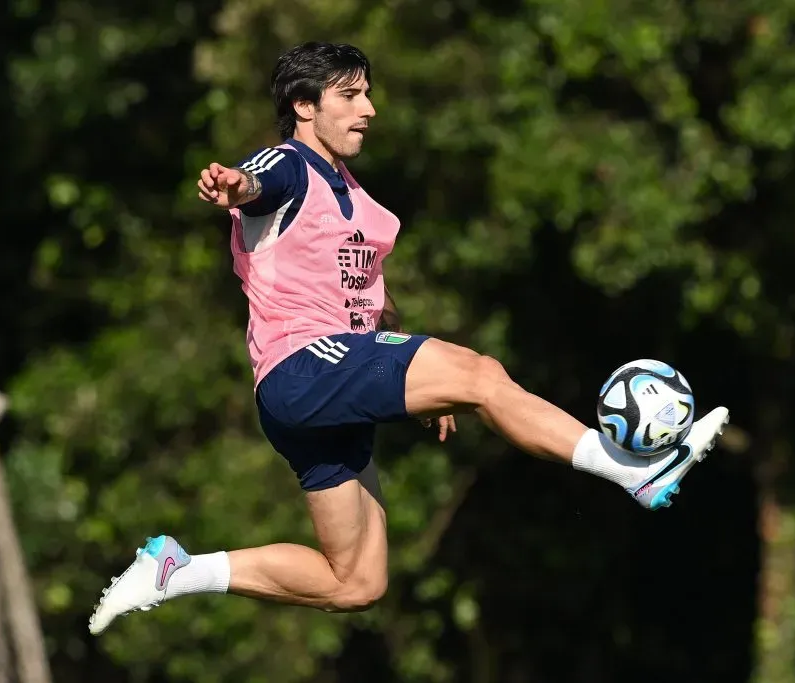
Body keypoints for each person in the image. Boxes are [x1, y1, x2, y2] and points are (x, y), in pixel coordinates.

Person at [88, 42, 729, 634]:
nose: (368, 109)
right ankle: (629, 469)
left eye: (368, 94)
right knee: (482, 375)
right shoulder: (288, 163)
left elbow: (368, 295)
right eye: (350, 95)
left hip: (314, 394)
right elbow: (256, 183)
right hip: (308, 366)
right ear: (303, 107)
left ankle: (178, 571)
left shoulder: (354, 196)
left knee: (357, 582)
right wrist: (235, 185)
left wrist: (412, 372)